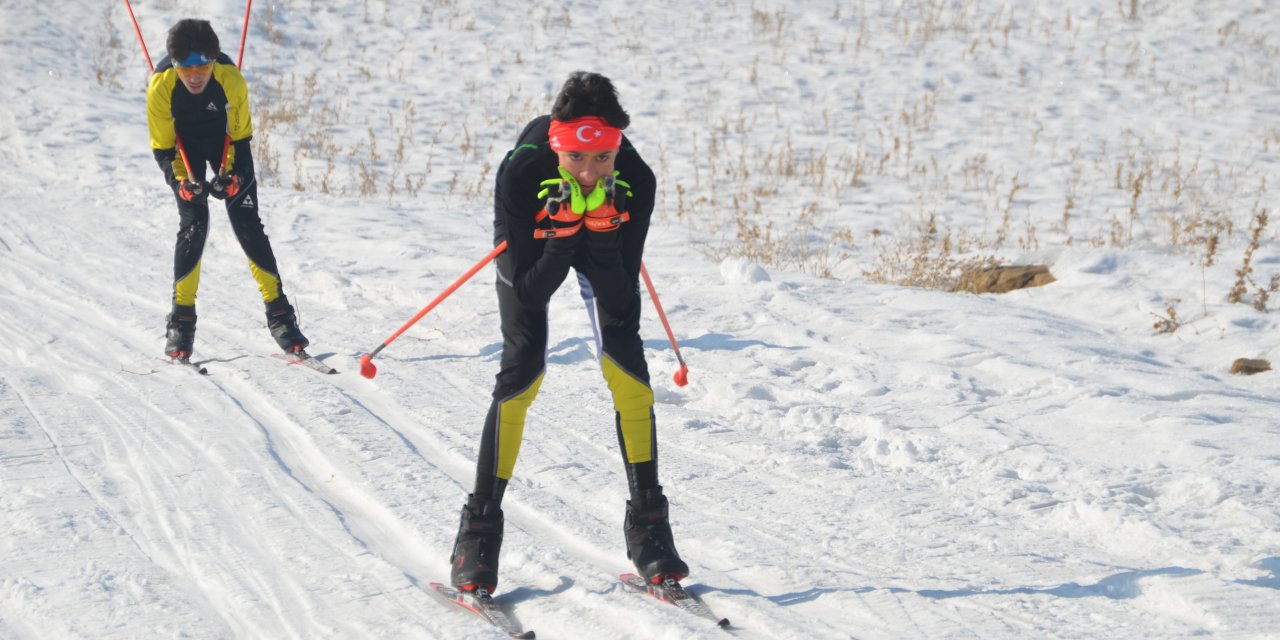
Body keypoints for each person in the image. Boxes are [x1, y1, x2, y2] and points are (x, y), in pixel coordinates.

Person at [449, 72, 689, 593]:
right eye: (576, 158)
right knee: (524, 369)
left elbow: (621, 297)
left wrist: (601, 235)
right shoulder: (522, 172)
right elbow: (530, 292)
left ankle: (649, 526)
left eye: (602, 157)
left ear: (617, 147)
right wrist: (561, 240)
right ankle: (479, 530)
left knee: (630, 375)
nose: (587, 172)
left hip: (604, 237)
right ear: (556, 144)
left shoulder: (635, 181)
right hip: (537, 243)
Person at [147, 19, 308, 359]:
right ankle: (181, 322)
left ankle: (281, 317)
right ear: (175, 65)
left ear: (213, 60)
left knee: (247, 223)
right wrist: (181, 183)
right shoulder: (161, 88)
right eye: (185, 67)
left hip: (226, 144)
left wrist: (230, 175)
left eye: (203, 65)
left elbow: (240, 138)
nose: (195, 75)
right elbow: (164, 149)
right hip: (183, 149)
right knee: (194, 224)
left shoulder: (231, 80)